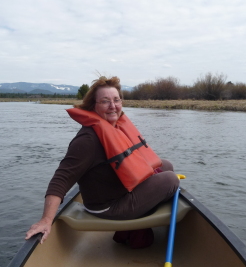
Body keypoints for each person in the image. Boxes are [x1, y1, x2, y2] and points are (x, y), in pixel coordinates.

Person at [25, 76, 179, 246]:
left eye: (116, 100)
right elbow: (61, 179)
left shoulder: (115, 127)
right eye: (105, 101)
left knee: (165, 165)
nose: (113, 106)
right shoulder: (87, 140)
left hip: (120, 191)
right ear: (93, 106)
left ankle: (148, 206)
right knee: (170, 179)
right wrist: (46, 220)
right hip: (107, 207)